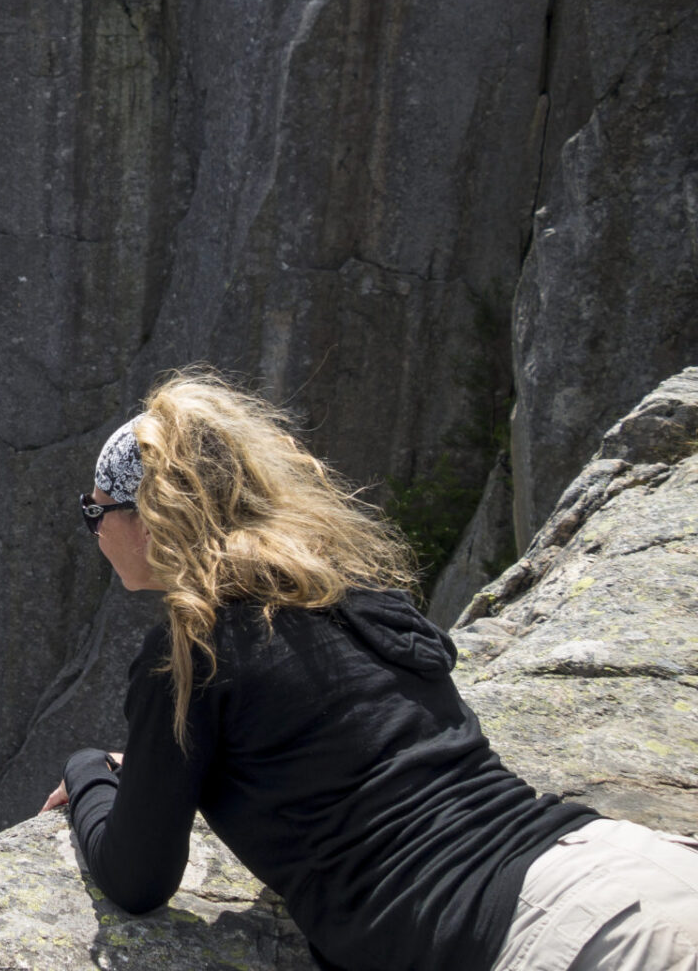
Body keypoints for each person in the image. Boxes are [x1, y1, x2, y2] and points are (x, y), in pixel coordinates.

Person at [43, 368, 698, 971]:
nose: (94, 531)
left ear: (152, 519)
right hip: (626, 866)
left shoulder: (191, 655)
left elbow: (135, 880)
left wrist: (87, 769)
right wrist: (162, 766)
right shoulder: (355, 597)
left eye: (96, 511)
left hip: (553, 941)